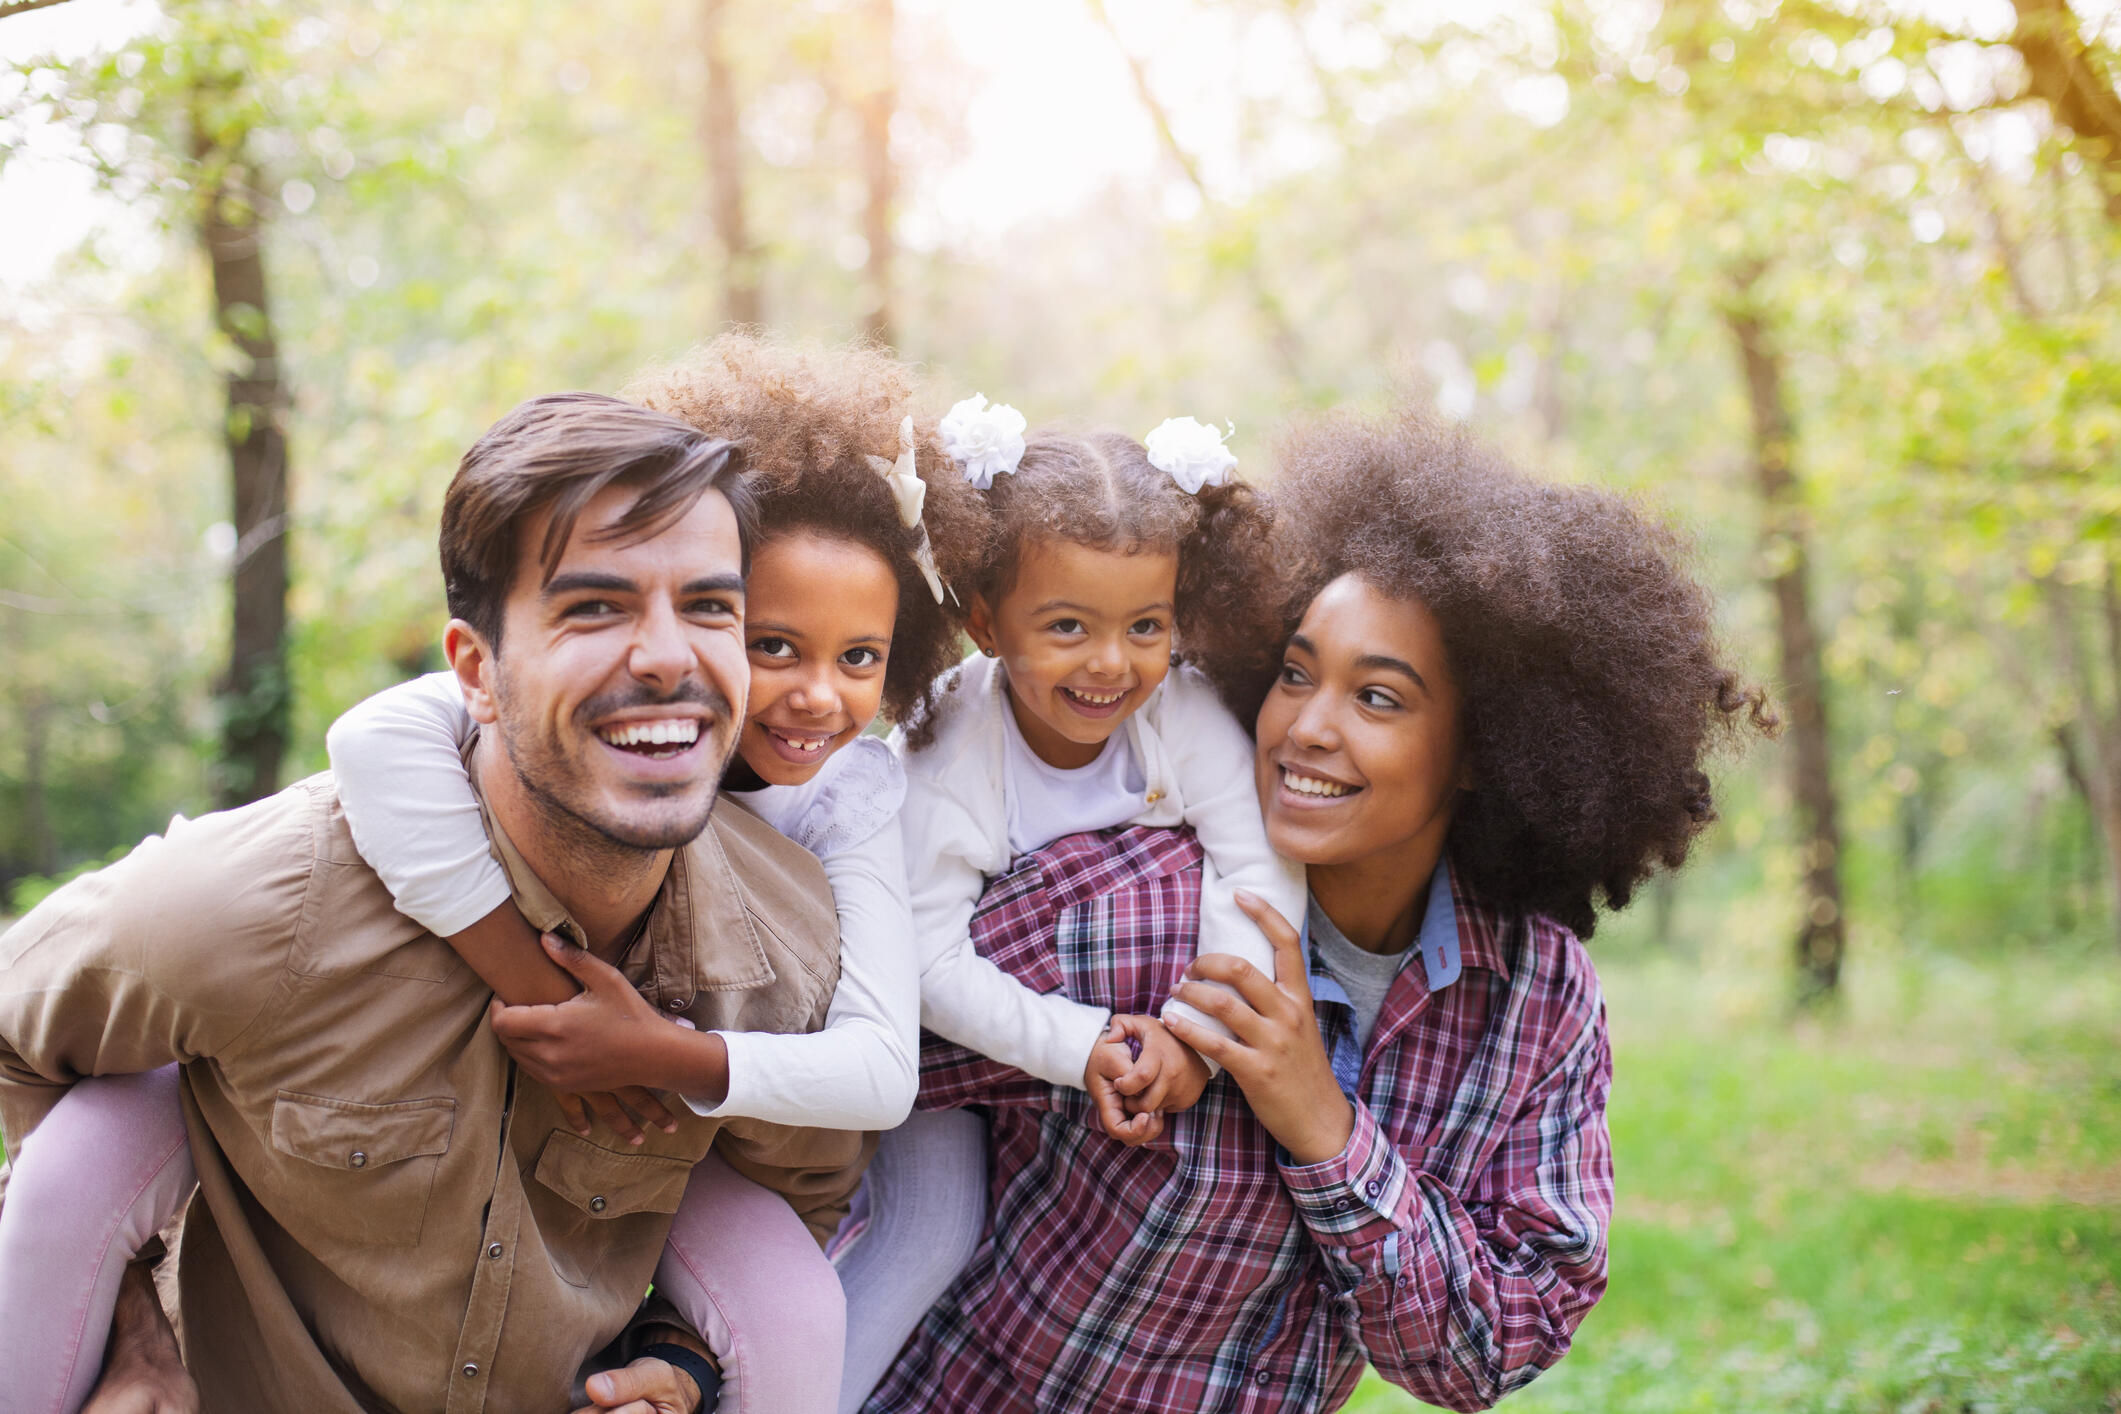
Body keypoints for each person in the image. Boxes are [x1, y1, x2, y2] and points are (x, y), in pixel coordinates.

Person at [858, 405, 1773, 1412]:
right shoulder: (1134, 902)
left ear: (1484, 749)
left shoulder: (1534, 999)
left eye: (1377, 699)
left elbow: (1491, 1349)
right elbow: (872, 1044)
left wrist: (1326, 1129)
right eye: (1296, 675)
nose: (1305, 729)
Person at [0, 392, 867, 1412]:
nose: (671, 656)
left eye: (712, 607)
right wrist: (132, 1330)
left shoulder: (786, 951)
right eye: (595, 606)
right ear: (476, 672)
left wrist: (680, 1355)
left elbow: (796, 1201)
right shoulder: (251, 908)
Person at [830, 406, 1307, 1405]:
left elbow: (1255, 872)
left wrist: (1194, 1034)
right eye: (1066, 628)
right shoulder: (950, 744)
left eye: (1146, 626)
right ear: (986, 622)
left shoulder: (1181, 707)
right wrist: (1083, 1042)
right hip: (941, 1056)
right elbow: (925, 959)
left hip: (1117, 1050)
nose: (1111, 665)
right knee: (928, 1235)